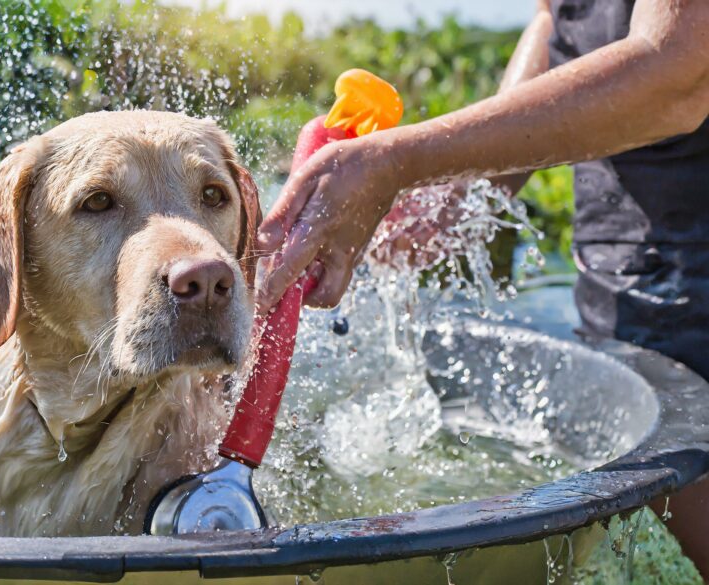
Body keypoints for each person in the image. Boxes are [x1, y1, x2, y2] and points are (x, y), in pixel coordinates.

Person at [256, 0, 709, 577]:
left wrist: (402, 159)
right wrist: (466, 189)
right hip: (624, 274)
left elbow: (676, 72)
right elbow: (558, 19)